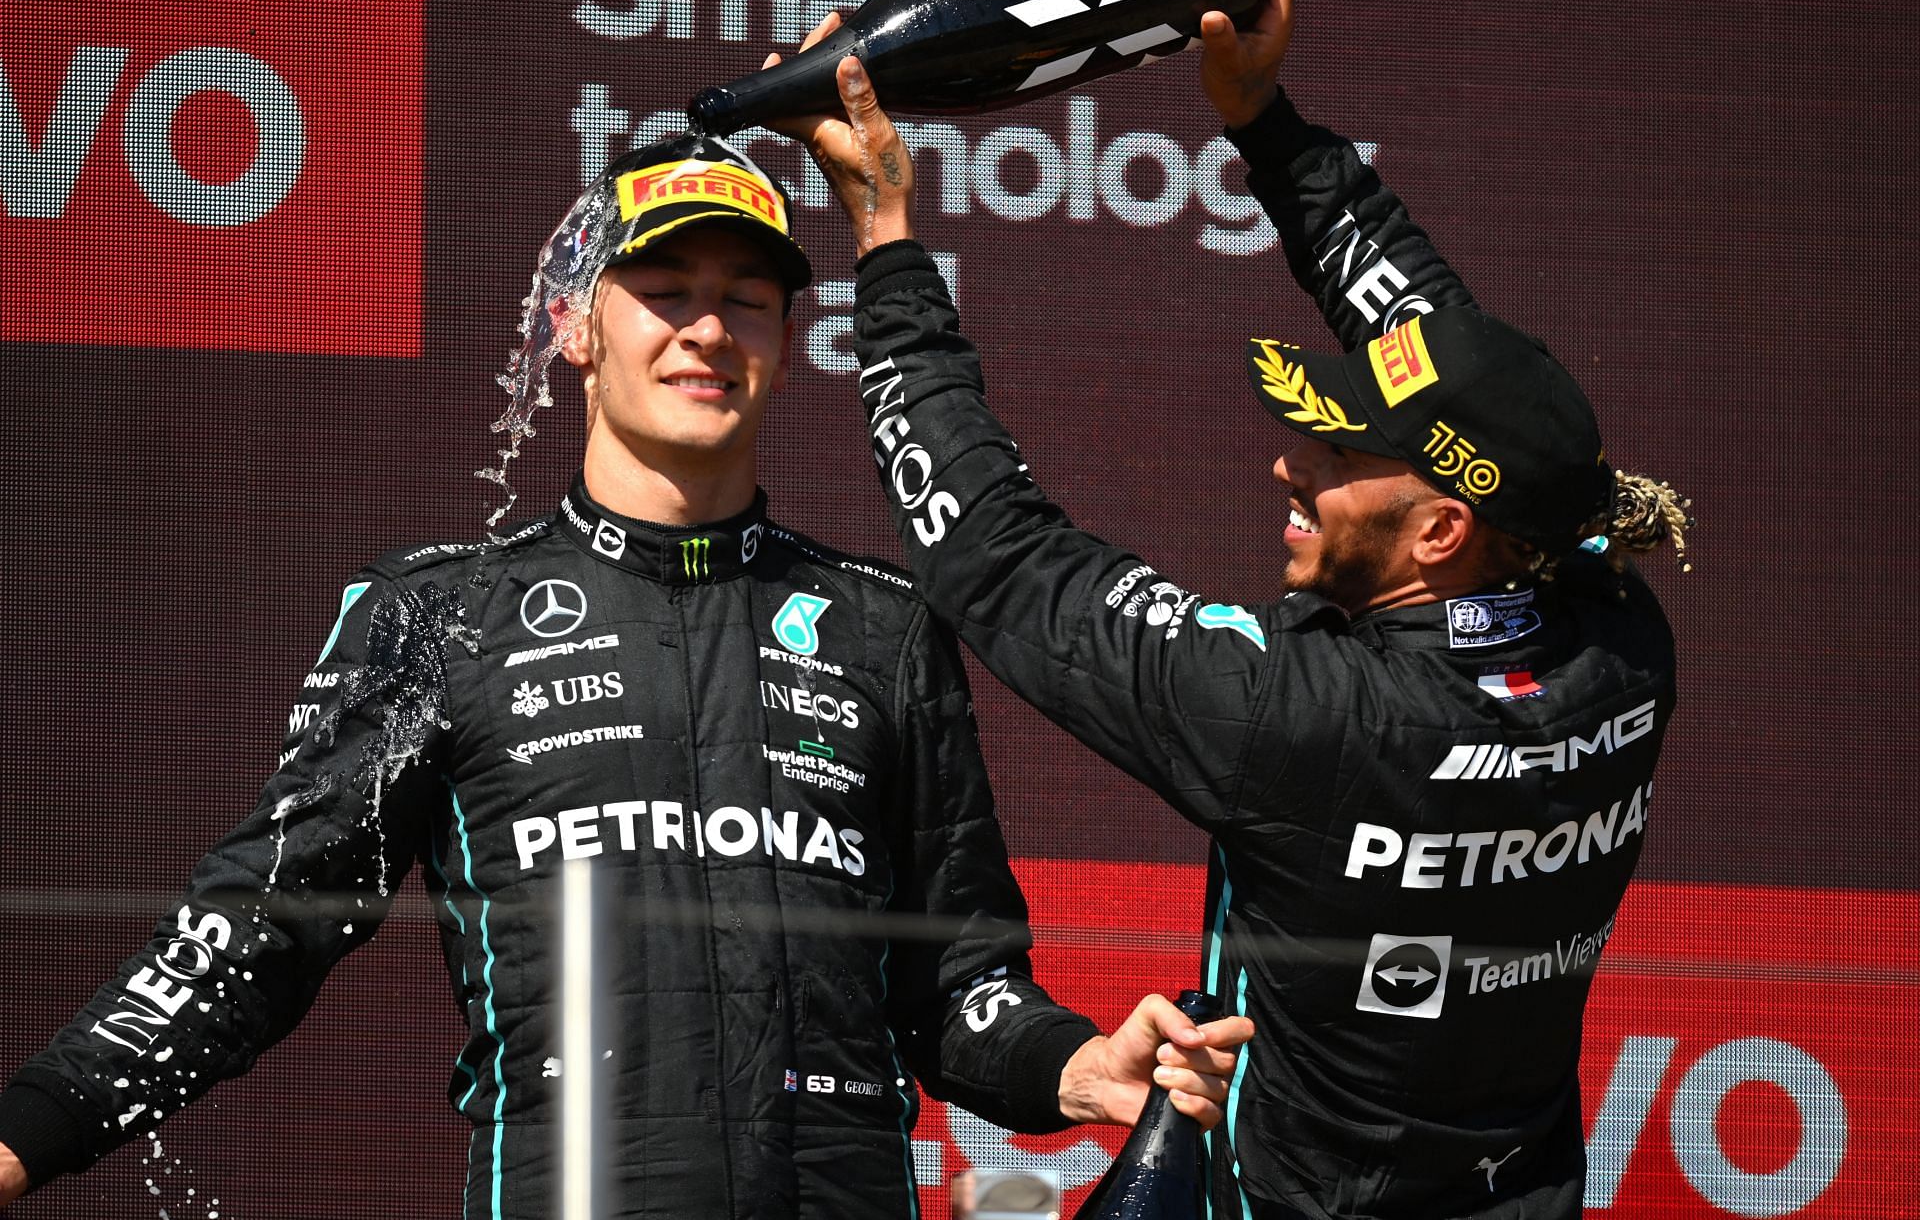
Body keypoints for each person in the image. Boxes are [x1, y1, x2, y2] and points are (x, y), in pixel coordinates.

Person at [0, 133, 1251, 1218]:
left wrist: (1081, 1066)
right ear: (574, 325)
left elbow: (958, 989)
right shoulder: (439, 616)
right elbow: (255, 930)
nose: (708, 328)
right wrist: (28, 1130)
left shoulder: (880, 628)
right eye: (664, 289)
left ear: (785, 333)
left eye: (746, 298)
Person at [776, 0, 1691, 1216]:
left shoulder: (1308, 722)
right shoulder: (1616, 627)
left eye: (1339, 452)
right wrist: (1267, 125)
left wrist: (884, 239)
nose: (1290, 461)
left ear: (1438, 534)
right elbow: (1459, 362)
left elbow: (994, 550)